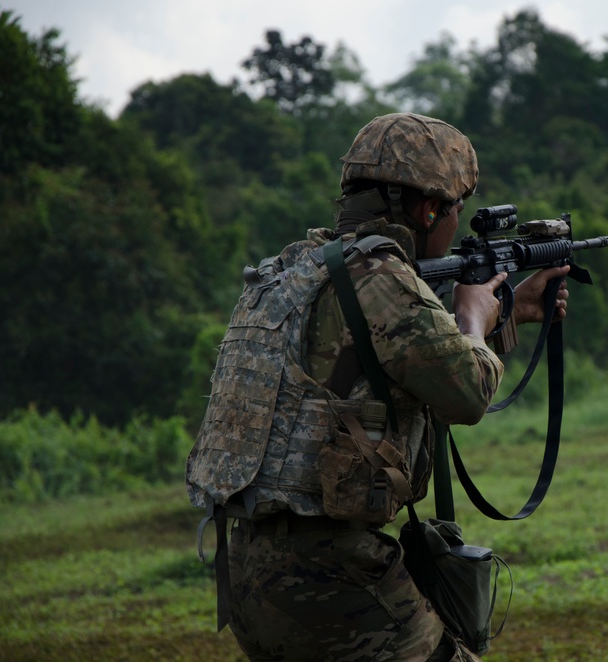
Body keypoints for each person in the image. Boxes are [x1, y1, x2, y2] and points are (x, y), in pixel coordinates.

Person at [186, 112, 569, 661]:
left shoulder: (298, 269)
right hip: (327, 573)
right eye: (454, 209)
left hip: (248, 570)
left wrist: (514, 311)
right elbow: (466, 393)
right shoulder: (381, 278)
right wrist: (471, 318)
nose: (456, 225)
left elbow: (385, 368)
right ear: (428, 207)